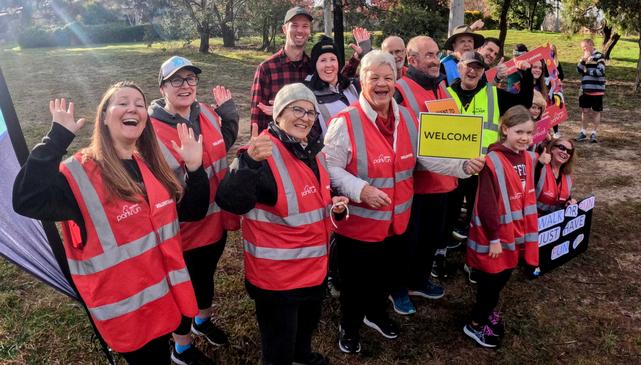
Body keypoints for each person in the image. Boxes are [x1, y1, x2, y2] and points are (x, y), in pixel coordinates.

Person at [12, 82, 209, 364]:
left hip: (166, 304)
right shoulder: (79, 175)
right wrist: (56, 139)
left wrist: (195, 170)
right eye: (123, 102)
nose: (133, 108)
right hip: (129, 318)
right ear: (104, 116)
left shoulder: (150, 164)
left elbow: (192, 211)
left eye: (140, 104)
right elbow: (24, 199)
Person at [323, 50, 484, 353]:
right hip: (359, 225)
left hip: (397, 221)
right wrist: (361, 190)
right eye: (375, 78)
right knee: (356, 282)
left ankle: (376, 314)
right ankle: (350, 326)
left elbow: (427, 158)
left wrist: (462, 167)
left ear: (396, 81)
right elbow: (329, 169)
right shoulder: (344, 122)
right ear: (361, 81)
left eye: (388, 78)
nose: (382, 84)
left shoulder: (406, 117)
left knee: (385, 276)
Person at [216, 83, 347, 365]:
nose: (305, 117)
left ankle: (302, 355)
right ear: (277, 115)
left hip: (313, 270)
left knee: (305, 327)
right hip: (278, 281)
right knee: (278, 348)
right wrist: (248, 162)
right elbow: (229, 200)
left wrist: (332, 206)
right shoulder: (262, 152)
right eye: (296, 109)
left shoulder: (311, 148)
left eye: (310, 112)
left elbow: (308, 201)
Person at [149, 56, 239, 365]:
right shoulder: (151, 132)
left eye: (190, 79)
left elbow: (221, 145)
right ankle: (181, 350)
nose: (185, 86)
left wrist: (229, 117)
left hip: (213, 223)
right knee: (183, 290)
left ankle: (201, 323)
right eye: (177, 80)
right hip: (182, 230)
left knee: (205, 278)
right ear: (163, 87)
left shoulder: (207, 114)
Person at [445, 51, 533, 282]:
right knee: (448, 214)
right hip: (449, 167)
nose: (472, 71)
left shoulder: (494, 94)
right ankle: (440, 256)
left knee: (479, 215)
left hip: (483, 169)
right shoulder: (444, 94)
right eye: (468, 66)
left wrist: (525, 73)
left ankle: (474, 262)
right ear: (459, 67)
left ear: (484, 72)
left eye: (479, 68)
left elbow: (523, 102)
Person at [463, 105, 540, 348]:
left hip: (515, 232)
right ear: (505, 129)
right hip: (494, 236)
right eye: (519, 132)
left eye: (529, 133)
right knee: (491, 282)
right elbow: (486, 203)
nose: (525, 138)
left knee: (504, 275)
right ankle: (475, 324)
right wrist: (494, 237)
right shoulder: (492, 160)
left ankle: (487, 311)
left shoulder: (527, 157)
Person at [390, 35, 451, 314]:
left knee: (432, 237)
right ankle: (397, 288)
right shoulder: (399, 90)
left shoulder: (442, 87)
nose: (435, 60)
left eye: (436, 54)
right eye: (429, 55)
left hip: (442, 182)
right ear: (412, 60)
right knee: (407, 241)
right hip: (412, 184)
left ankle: (419, 280)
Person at [250, 6, 368, 131]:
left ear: (309, 31)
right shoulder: (267, 69)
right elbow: (257, 118)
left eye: (305, 26)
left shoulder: (312, 66)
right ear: (284, 29)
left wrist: (357, 57)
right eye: (294, 25)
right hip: (278, 144)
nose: (300, 30)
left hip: (308, 144)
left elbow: (336, 79)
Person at [306, 36, 360, 138]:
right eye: (323, 60)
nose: (328, 65)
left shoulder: (353, 87)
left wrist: (366, 53)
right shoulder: (309, 97)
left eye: (332, 59)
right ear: (315, 65)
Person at [535, 137, 577, 215]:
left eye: (569, 151)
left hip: (555, 222)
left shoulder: (567, 176)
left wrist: (569, 202)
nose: (565, 152)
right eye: (562, 148)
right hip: (535, 220)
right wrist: (539, 164)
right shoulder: (539, 165)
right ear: (552, 149)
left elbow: (564, 196)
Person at [575, 39, 605, 143]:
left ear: (591, 45)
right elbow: (578, 70)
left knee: (596, 112)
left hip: (597, 90)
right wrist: (583, 60)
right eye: (582, 48)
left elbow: (600, 71)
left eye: (585, 47)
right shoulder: (584, 57)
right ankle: (583, 132)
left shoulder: (599, 56)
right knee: (585, 111)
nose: (584, 49)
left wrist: (587, 71)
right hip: (585, 89)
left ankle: (594, 134)